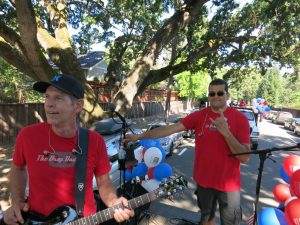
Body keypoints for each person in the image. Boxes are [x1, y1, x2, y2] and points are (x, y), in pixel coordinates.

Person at [3, 74, 134, 225]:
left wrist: (113, 201)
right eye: (47, 97)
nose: (49, 104)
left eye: (58, 98)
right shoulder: (27, 135)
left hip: (83, 220)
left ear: (78, 105)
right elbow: (18, 168)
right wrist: (17, 202)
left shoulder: (94, 141)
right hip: (36, 220)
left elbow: (104, 182)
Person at [124, 79, 251, 225]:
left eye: (220, 93)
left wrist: (226, 132)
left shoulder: (240, 119)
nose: (215, 96)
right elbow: (169, 129)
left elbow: (245, 157)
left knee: (230, 222)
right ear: (208, 96)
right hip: (204, 182)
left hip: (229, 185)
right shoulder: (200, 116)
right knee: (206, 220)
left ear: (227, 95)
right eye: (212, 93)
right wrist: (139, 136)